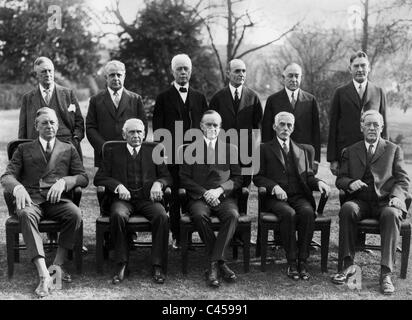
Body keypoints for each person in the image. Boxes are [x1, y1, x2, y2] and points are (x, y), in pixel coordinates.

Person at [1, 107, 88, 298]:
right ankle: (43, 274)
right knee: (24, 213)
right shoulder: (23, 149)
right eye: (44, 123)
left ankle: (57, 266)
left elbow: (82, 177)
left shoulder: (68, 147)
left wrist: (65, 181)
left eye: (52, 122)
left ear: (57, 125)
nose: (49, 126)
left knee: (75, 214)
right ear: (36, 126)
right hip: (32, 199)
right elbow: (7, 176)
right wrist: (18, 188)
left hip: (57, 200)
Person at [331, 110, 410, 295]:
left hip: (385, 203)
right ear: (361, 127)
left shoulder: (393, 149)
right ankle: (348, 266)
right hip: (361, 201)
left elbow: (403, 179)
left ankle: (386, 274)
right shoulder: (350, 151)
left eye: (376, 124)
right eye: (368, 124)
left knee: (391, 214)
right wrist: (350, 183)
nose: (372, 128)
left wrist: (397, 197)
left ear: (382, 127)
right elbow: (340, 179)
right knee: (347, 208)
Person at [94, 118, 172, 285]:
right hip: (123, 200)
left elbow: (167, 176)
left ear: (144, 134)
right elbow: (99, 178)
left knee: (162, 216)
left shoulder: (155, 150)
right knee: (118, 215)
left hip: (147, 199)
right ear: (124, 134)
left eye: (139, 132)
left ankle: (158, 265)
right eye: (131, 132)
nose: (136, 135)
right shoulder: (112, 151)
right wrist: (117, 186)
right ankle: (121, 263)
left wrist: (159, 183)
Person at [253, 111, 330, 280]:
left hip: (299, 196)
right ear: (274, 126)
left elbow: (308, 176)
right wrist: (274, 187)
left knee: (308, 212)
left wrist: (319, 183)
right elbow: (257, 177)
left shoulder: (302, 150)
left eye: (289, 125)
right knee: (289, 214)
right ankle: (292, 261)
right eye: (282, 124)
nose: (285, 128)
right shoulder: (264, 148)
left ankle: (303, 260)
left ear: (293, 128)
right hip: (275, 199)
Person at [179, 110, 243, 288]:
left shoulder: (231, 149)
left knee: (232, 215)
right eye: (208, 124)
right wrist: (205, 193)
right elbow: (183, 178)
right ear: (201, 126)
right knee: (199, 216)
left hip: (223, 197)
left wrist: (220, 190)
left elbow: (238, 178)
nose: (212, 128)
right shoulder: (190, 149)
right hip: (198, 197)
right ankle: (220, 263)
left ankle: (214, 264)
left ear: (220, 127)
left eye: (216, 125)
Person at [153, 54, 208, 250]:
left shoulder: (200, 97)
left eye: (186, 69)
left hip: (195, 157)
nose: (183, 72)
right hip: (172, 156)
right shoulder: (163, 98)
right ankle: (177, 236)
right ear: (172, 71)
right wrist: (163, 154)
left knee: (193, 195)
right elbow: (158, 129)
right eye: (179, 69)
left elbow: (207, 128)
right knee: (176, 197)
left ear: (190, 71)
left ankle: (192, 236)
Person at [327, 50, 387, 176]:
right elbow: (333, 127)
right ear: (350, 69)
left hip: (372, 152)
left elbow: (384, 125)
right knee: (347, 190)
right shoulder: (340, 93)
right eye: (356, 66)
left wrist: (385, 153)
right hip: (346, 152)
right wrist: (332, 159)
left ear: (369, 68)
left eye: (363, 65)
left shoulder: (379, 92)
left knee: (372, 191)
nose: (360, 69)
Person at [209, 58, 263, 185]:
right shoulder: (217, 98)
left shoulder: (253, 97)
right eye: (237, 71)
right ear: (228, 74)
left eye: (244, 71)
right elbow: (210, 127)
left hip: (246, 153)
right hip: (223, 153)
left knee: (244, 190)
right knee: (224, 187)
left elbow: (258, 127)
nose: (241, 74)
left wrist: (255, 152)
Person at [18, 56, 84, 159]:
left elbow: (79, 121)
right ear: (36, 75)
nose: (48, 74)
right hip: (37, 148)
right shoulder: (27, 98)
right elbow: (22, 129)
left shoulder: (68, 94)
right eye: (44, 71)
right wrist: (23, 150)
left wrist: (75, 139)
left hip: (66, 147)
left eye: (50, 71)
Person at [86, 60, 148, 168]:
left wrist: (134, 146)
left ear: (124, 76)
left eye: (119, 75)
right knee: (107, 183)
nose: (116, 78)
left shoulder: (135, 99)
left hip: (129, 153)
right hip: (105, 155)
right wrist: (103, 147)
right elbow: (90, 127)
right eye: (112, 75)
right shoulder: (96, 100)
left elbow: (144, 126)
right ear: (106, 77)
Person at [261, 63, 321, 173]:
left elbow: (316, 131)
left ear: (301, 78)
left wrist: (316, 159)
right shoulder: (273, 100)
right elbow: (267, 132)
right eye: (290, 76)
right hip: (279, 156)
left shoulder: (310, 100)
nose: (294, 79)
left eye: (297, 76)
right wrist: (266, 156)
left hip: (304, 156)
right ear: (283, 78)